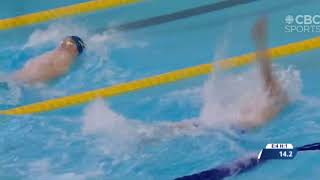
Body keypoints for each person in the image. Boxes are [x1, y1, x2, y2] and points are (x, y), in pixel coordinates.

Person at [166, 18, 288, 132]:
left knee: (186, 127)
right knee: (187, 127)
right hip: (235, 127)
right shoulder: (270, 102)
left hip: (240, 126)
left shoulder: (275, 96)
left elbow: (266, 73)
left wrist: (259, 39)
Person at [10, 36, 85, 84]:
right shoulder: (57, 53)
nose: (63, 44)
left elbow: (56, 72)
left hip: (26, 80)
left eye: (69, 43)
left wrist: (30, 80)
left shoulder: (66, 57)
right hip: (21, 78)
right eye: (63, 41)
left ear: (75, 50)